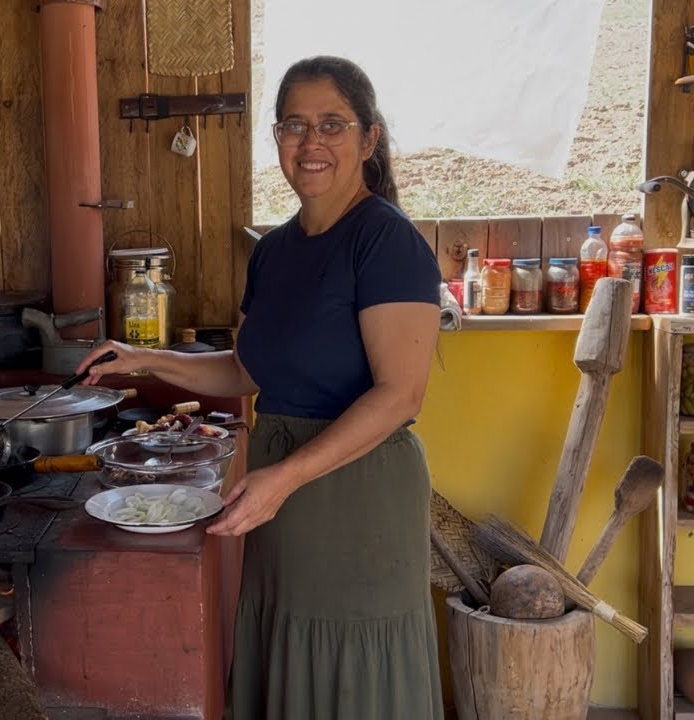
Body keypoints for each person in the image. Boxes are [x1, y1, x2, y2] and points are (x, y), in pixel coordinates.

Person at [75, 55, 444, 720]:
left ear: (368, 139)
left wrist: (284, 477)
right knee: (288, 657)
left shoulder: (387, 243)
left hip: (355, 494)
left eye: (333, 124)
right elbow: (250, 371)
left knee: (350, 677)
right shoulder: (273, 251)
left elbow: (399, 396)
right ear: (275, 138)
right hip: (281, 489)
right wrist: (145, 360)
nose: (311, 142)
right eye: (295, 125)